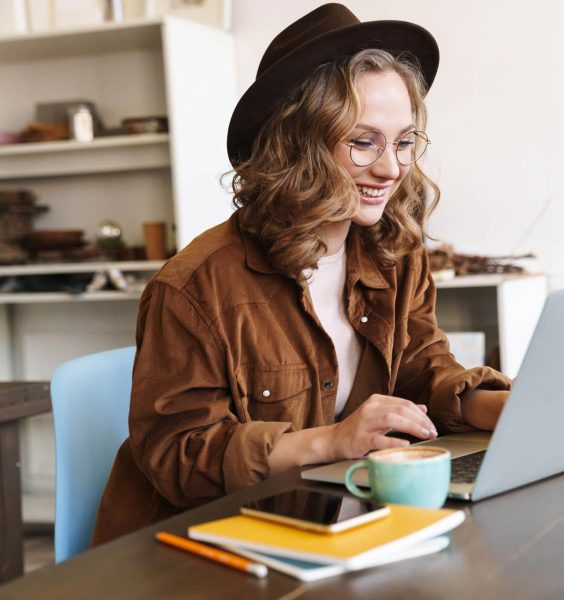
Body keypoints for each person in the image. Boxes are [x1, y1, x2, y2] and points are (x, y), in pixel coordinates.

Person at [92, 3, 511, 545]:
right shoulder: (196, 285)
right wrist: (332, 440)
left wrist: (506, 409)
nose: (391, 168)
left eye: (404, 142)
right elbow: (177, 456)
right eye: (364, 142)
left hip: (330, 531)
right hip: (198, 552)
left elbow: (420, 369)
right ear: (297, 143)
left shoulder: (395, 254)